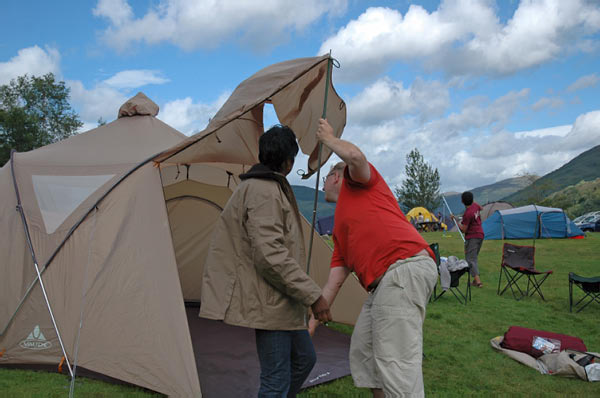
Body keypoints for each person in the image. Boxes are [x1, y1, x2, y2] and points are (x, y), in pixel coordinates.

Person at [200, 125, 332, 398]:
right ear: (288, 162)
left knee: (304, 360)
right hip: (270, 302)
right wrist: (313, 295)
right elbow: (270, 257)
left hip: (283, 302)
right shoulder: (263, 192)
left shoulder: (268, 188)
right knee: (275, 380)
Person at [310, 118, 438, 398]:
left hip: (403, 268)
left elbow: (355, 156)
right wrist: (310, 328)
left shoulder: (360, 184)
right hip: (384, 285)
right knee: (364, 353)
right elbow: (332, 285)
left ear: (335, 177)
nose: (322, 187)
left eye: (325, 181)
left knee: (397, 365)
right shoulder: (341, 229)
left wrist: (328, 139)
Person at [451, 191, 484, 288]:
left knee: (470, 259)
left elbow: (463, 229)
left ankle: (478, 282)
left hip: (472, 237)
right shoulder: (475, 206)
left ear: (462, 201)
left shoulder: (467, 213)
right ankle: (475, 281)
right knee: (473, 258)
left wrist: (455, 221)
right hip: (480, 235)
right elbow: (481, 208)